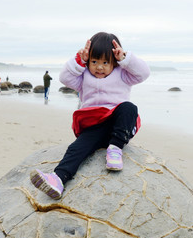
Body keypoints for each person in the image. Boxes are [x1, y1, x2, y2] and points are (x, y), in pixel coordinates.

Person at [30, 32, 150, 199]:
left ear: (114, 62)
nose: (99, 67)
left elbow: (143, 73)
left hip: (117, 127)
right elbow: (64, 77)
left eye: (105, 62)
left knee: (129, 107)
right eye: (94, 62)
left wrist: (125, 58)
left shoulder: (123, 75)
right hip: (94, 127)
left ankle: (115, 149)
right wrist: (79, 60)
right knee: (75, 149)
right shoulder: (83, 77)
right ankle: (58, 179)